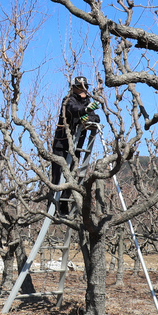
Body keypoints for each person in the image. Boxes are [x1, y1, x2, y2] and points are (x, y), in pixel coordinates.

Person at [50, 76, 100, 214]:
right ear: (74, 88)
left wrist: (88, 116)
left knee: (70, 176)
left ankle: (64, 206)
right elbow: (74, 109)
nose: (84, 90)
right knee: (57, 175)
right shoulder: (68, 100)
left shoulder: (87, 102)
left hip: (76, 146)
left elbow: (96, 118)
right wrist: (85, 112)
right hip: (62, 144)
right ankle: (53, 206)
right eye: (80, 87)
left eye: (85, 87)